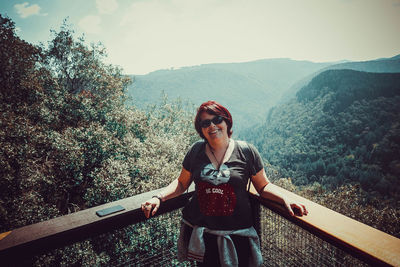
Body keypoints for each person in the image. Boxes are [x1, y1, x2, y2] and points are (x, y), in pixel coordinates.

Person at [141, 100, 307, 267]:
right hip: (204, 236)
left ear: (227, 122)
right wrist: (158, 198)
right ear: (201, 130)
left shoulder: (246, 152)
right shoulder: (196, 151)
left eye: (217, 119)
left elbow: (263, 186)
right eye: (205, 123)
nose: (212, 125)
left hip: (238, 236)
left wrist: (285, 199)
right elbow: (181, 183)